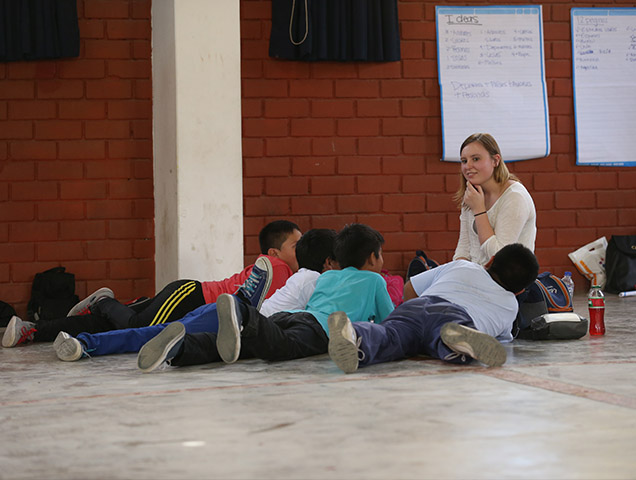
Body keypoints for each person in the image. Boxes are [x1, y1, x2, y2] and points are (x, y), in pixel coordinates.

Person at [136, 223, 394, 372]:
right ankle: (244, 315)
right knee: (282, 347)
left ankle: (183, 347)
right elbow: (390, 322)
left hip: (293, 317)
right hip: (318, 330)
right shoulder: (375, 280)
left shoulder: (327, 277)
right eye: (380, 255)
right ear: (372, 258)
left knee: (243, 347)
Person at [2, 220, 301, 348]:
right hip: (192, 297)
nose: (300, 251)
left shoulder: (282, 268)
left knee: (111, 327)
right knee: (138, 329)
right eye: (295, 245)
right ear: (273, 252)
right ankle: (105, 302)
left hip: (188, 300)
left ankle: (32, 330)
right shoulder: (277, 267)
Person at [53, 229, 338, 361]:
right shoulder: (315, 280)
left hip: (215, 308)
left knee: (152, 332)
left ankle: (84, 343)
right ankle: (240, 305)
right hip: (231, 316)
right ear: (329, 262)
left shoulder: (301, 276)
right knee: (145, 331)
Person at [327, 243, 539, 374]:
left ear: (490, 260)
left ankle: (355, 335)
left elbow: (410, 288)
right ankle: (458, 341)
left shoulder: (462, 265)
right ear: (520, 291)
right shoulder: (510, 305)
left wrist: (414, 312)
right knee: (443, 338)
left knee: (390, 334)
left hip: (418, 306)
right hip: (457, 317)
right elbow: (503, 339)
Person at [452, 133, 536, 266]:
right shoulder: (472, 194)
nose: (468, 166)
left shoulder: (515, 197)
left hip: (505, 279)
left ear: (495, 160)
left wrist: (479, 210)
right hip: (474, 274)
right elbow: (463, 248)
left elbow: (499, 257)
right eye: (464, 161)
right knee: (414, 285)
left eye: (475, 159)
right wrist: (458, 271)